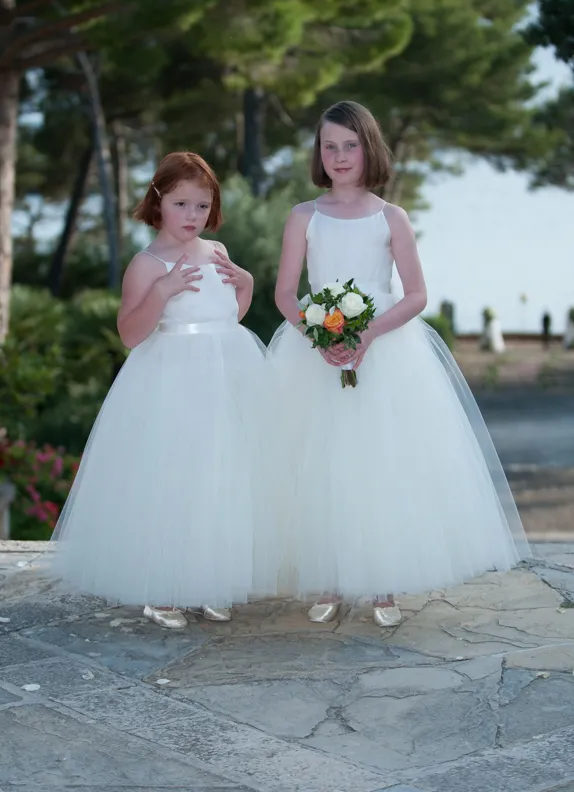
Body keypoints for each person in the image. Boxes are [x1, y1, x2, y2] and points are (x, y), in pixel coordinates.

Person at [262, 101, 530, 627]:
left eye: (350, 145)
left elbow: (415, 294)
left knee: (380, 463)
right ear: (319, 153)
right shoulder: (304, 216)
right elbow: (285, 293)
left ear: (369, 148)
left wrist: (368, 335)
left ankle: (382, 583)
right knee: (318, 463)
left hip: (386, 351)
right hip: (317, 348)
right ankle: (330, 578)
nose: (339, 156)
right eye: (329, 146)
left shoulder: (390, 217)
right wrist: (319, 337)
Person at [47, 152, 265, 629]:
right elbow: (129, 333)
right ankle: (163, 586)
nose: (192, 217)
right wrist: (162, 292)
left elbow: (228, 315)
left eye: (202, 206)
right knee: (175, 478)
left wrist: (246, 284)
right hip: (172, 382)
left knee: (219, 476)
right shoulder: (147, 264)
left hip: (226, 377)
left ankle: (210, 579)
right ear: (159, 200)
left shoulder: (219, 252)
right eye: (182, 204)